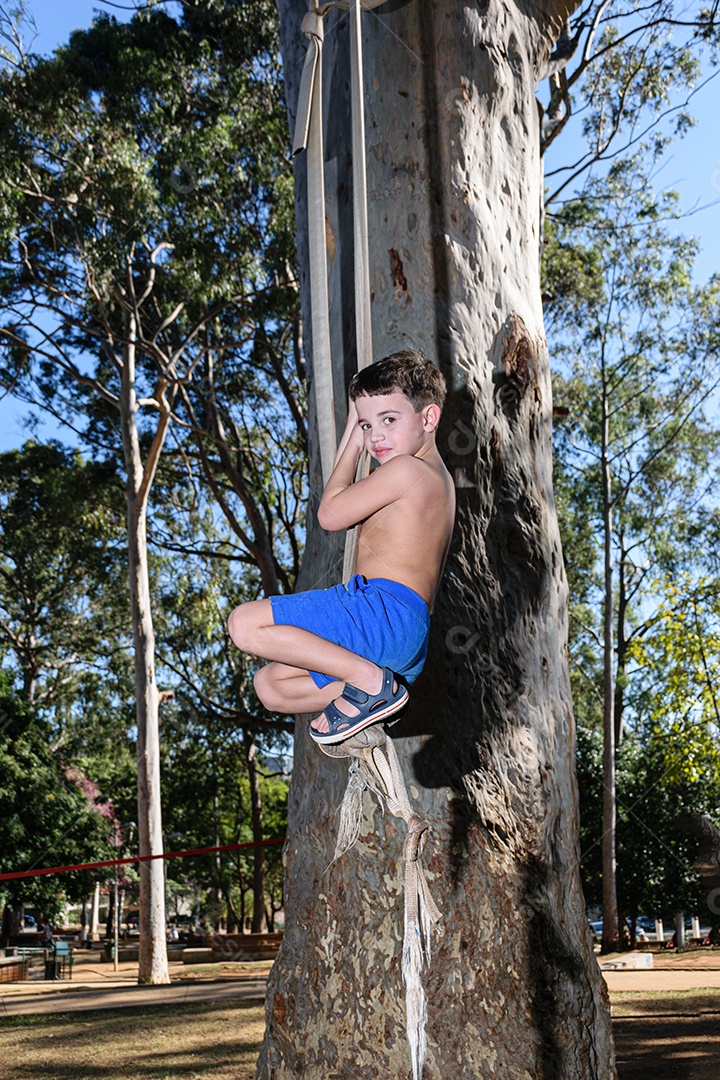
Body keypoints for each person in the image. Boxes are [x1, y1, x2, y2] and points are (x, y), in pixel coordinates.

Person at [228, 350, 455, 744]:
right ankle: (372, 690)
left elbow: (331, 514)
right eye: (366, 424)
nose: (375, 436)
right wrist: (360, 424)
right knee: (270, 685)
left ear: (428, 418)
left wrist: (351, 433)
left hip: (382, 611)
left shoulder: (408, 470)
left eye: (388, 419)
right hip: (404, 638)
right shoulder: (440, 481)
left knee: (245, 625)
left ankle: (368, 681)